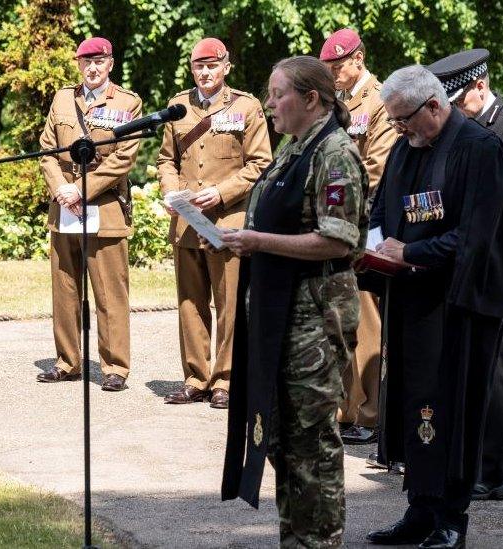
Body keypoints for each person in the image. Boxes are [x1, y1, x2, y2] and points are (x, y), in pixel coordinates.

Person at [364, 65, 503, 548]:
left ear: (434, 106)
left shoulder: (481, 149)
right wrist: (373, 248)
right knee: (415, 402)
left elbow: (475, 236)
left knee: (454, 408)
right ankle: (420, 507)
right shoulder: (404, 148)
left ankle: (452, 518)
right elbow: (382, 210)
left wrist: (410, 252)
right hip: (414, 297)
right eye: (393, 121)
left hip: (462, 302)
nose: (399, 130)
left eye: (403, 120)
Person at [220, 55, 368, 548]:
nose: (268, 104)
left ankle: (320, 542)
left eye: (277, 94)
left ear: (311, 98)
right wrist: (236, 237)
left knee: (313, 446)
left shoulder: (335, 153)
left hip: (315, 320)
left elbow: (339, 241)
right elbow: (274, 221)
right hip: (281, 315)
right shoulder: (292, 148)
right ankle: (296, 540)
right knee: (284, 442)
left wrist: (259, 243)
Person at [427, 48, 503, 501]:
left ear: (480, 85)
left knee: (493, 368)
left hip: (496, 268)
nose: (455, 110)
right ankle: (461, 460)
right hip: (457, 263)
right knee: (459, 365)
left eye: (459, 101)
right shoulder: (460, 131)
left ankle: (495, 470)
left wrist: (467, 232)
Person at [156, 38, 272, 409]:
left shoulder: (246, 106)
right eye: (198, 67)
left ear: (226, 66)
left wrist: (221, 193)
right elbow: (165, 161)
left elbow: (260, 163)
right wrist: (172, 192)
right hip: (187, 222)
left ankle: (225, 380)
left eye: (211, 66)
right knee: (190, 302)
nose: (204, 73)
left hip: (227, 220)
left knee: (230, 303)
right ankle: (195, 377)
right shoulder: (178, 106)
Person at [37, 37, 142, 392]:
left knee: (110, 292)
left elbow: (123, 159)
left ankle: (115, 368)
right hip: (63, 208)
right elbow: (47, 151)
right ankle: (67, 362)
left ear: (110, 63)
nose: (92, 67)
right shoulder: (63, 99)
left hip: (105, 207)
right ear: (78, 64)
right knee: (64, 289)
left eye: (99, 61)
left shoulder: (129, 103)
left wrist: (81, 189)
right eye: (86, 61)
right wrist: (61, 190)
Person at [320, 27, 398, 445]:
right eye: (328, 67)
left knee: (367, 320)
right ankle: (347, 408)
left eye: (338, 65)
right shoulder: (338, 102)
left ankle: (370, 415)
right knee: (339, 317)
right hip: (339, 221)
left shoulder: (381, 100)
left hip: (366, 221)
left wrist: (334, 199)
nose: (332, 73)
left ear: (358, 59)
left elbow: (376, 166)